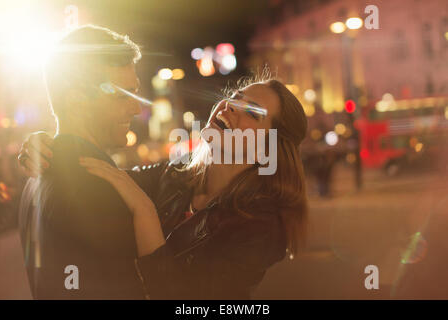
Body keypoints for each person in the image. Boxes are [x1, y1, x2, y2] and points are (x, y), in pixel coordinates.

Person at [19, 65, 309, 298]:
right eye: (235, 97)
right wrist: (51, 146)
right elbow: (99, 178)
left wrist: (144, 212)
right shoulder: (172, 175)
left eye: (252, 113)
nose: (230, 107)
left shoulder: (262, 228)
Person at [18, 25, 146, 299]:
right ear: (76, 100)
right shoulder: (96, 187)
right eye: (123, 94)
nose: (136, 108)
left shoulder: (37, 177)